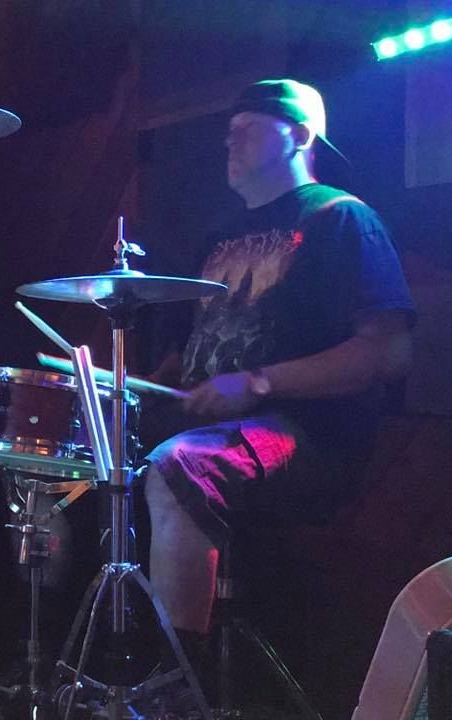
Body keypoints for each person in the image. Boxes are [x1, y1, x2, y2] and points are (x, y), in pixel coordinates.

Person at [140, 79, 415, 687]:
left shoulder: (342, 219)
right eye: (228, 131)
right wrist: (142, 386)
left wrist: (260, 382)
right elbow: (192, 356)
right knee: (86, 456)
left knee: (179, 465)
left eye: (247, 129)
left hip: (306, 436)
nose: (228, 141)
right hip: (214, 429)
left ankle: (177, 687)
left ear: (297, 135)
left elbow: (388, 351)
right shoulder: (217, 238)